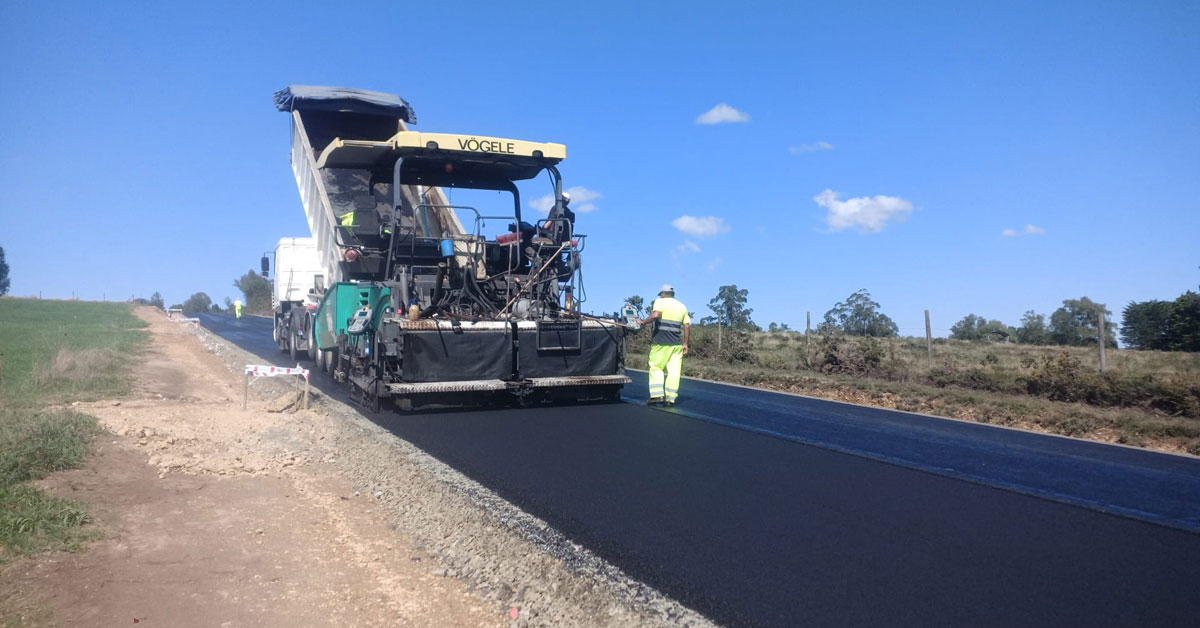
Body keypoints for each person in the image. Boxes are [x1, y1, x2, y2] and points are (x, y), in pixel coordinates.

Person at [637, 284, 690, 406]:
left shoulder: (660, 301)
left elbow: (656, 315)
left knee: (656, 367)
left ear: (663, 294)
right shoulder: (682, 306)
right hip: (676, 345)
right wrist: (685, 344)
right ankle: (670, 399)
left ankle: (657, 395)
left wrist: (643, 322)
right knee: (674, 372)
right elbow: (686, 326)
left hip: (660, 342)